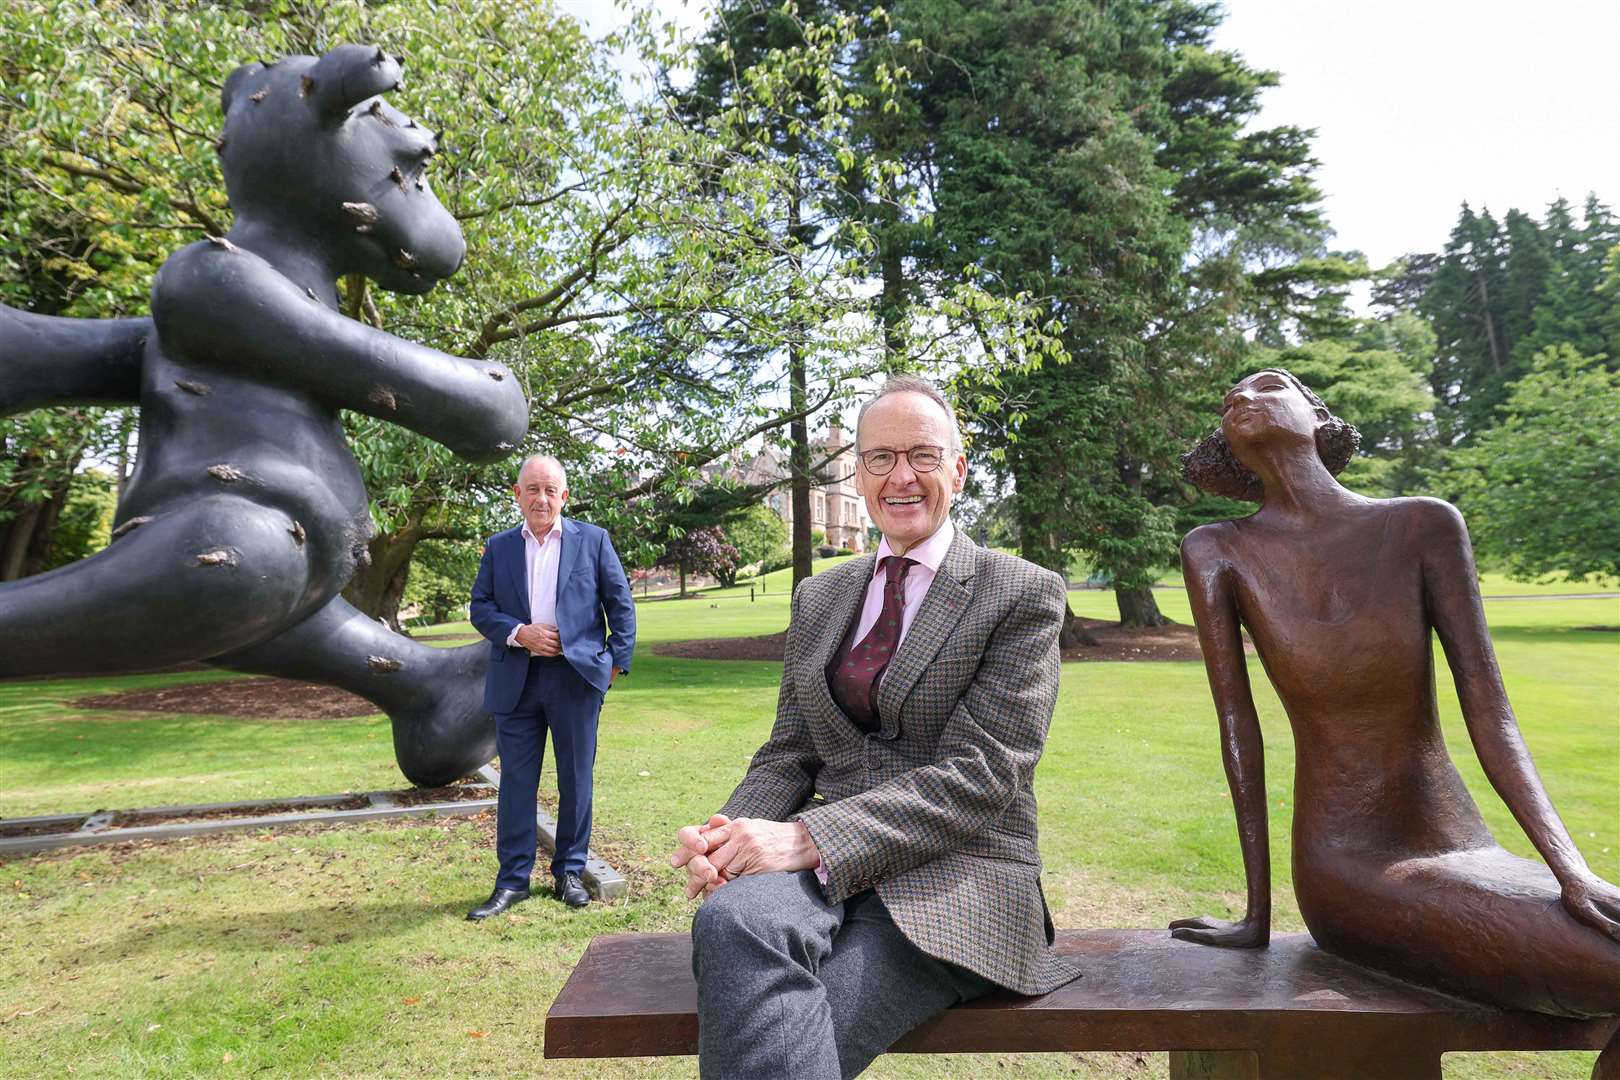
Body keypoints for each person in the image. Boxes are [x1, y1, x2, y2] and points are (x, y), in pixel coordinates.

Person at [1175, 369, 1619, 1074]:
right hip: (1346, 866)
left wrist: (1571, 869)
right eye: (1227, 399)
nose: (1240, 399)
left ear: (1318, 419)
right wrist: (1256, 914)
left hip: (1462, 848)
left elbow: (1492, 715)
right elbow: (1240, 732)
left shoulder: (1421, 525)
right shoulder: (1217, 549)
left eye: (1267, 385)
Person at [670, 376, 1079, 1079]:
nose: (902, 477)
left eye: (923, 455)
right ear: (858, 474)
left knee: (789, 1024)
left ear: (957, 467)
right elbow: (789, 753)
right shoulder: (821, 595)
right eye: (880, 458)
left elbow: (983, 774)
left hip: (962, 879)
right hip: (830, 873)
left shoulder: (1021, 592)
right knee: (734, 919)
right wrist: (729, 833)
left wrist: (805, 836)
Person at [467, 454, 635, 917]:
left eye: (550, 490)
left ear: (564, 496)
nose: (541, 498)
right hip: (515, 679)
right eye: (532, 490)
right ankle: (512, 881)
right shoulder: (499, 546)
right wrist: (520, 632)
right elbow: (480, 607)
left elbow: (620, 605)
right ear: (517, 495)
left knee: (575, 779)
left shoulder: (594, 541)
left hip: (576, 679)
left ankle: (568, 873)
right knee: (516, 783)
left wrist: (612, 668)